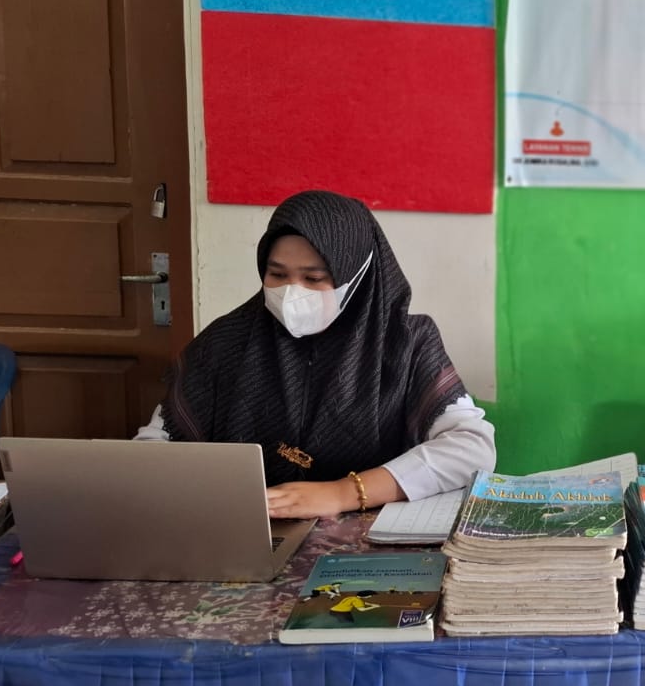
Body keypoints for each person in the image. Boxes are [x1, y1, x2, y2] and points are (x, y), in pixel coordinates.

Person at [135, 190, 495, 519]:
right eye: (277, 274)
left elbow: (472, 449)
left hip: (372, 540)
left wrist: (344, 492)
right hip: (250, 529)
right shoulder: (227, 342)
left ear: (357, 277)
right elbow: (151, 450)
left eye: (314, 278)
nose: (292, 292)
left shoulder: (407, 343)